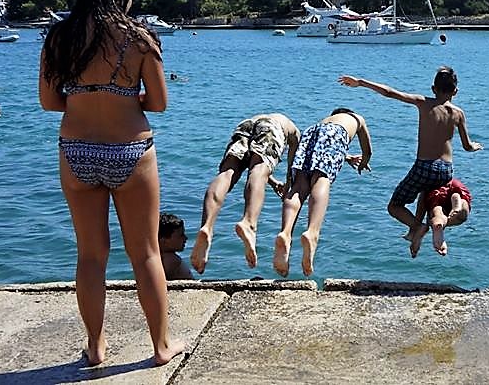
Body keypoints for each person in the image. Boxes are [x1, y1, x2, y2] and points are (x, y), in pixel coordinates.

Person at [38, 0, 185, 366]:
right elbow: (159, 103)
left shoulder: (59, 37)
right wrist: (123, 97)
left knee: (90, 254)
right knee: (147, 253)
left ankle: (96, 346)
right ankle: (160, 347)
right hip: (129, 151)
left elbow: (49, 101)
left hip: (77, 150)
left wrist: (87, 98)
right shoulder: (139, 38)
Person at [339, 67, 482, 257]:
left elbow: (390, 92)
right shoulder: (458, 113)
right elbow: (467, 146)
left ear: (433, 89)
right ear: (455, 91)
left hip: (424, 167)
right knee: (428, 196)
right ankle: (431, 228)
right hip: (446, 170)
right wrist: (475, 147)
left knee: (394, 206)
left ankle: (417, 227)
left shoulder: (423, 102)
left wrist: (361, 82)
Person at [190, 113, 300, 274]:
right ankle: (249, 223)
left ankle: (207, 227)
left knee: (227, 173)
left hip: (245, 125)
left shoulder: (271, 116)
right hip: (272, 127)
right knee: (259, 171)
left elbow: (252, 160)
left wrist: (273, 182)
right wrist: (288, 187)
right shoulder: (295, 132)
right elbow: (292, 167)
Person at [273, 108, 372, 277]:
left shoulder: (324, 121)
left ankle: (286, 233)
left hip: (309, 133)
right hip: (335, 135)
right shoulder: (357, 119)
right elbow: (367, 151)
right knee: (321, 178)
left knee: (299, 187)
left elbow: (322, 144)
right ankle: (312, 232)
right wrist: (364, 162)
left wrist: (346, 157)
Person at [425, 178, 472, 256]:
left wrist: (418, 224)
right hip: (454, 184)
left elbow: (422, 202)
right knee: (461, 216)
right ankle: (458, 201)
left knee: (437, 210)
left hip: (434, 190)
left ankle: (439, 222)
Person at [158, 213, 193, 280]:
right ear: (164, 241)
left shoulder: (160, 258)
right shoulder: (171, 259)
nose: (185, 238)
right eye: (181, 235)